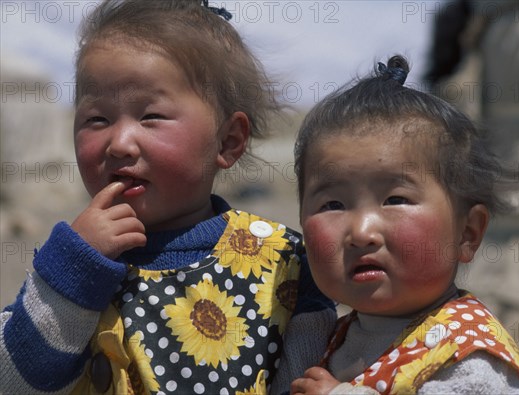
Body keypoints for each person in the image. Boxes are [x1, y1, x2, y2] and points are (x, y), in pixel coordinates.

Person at [0, 1, 335, 394]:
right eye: (97, 119)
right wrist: (73, 271)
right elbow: (12, 382)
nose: (120, 143)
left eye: (150, 117)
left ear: (228, 141)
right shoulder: (72, 260)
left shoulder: (285, 263)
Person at [290, 55, 519, 394]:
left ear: (467, 233)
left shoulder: (469, 359)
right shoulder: (331, 337)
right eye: (333, 205)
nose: (362, 232)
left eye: (395, 199)